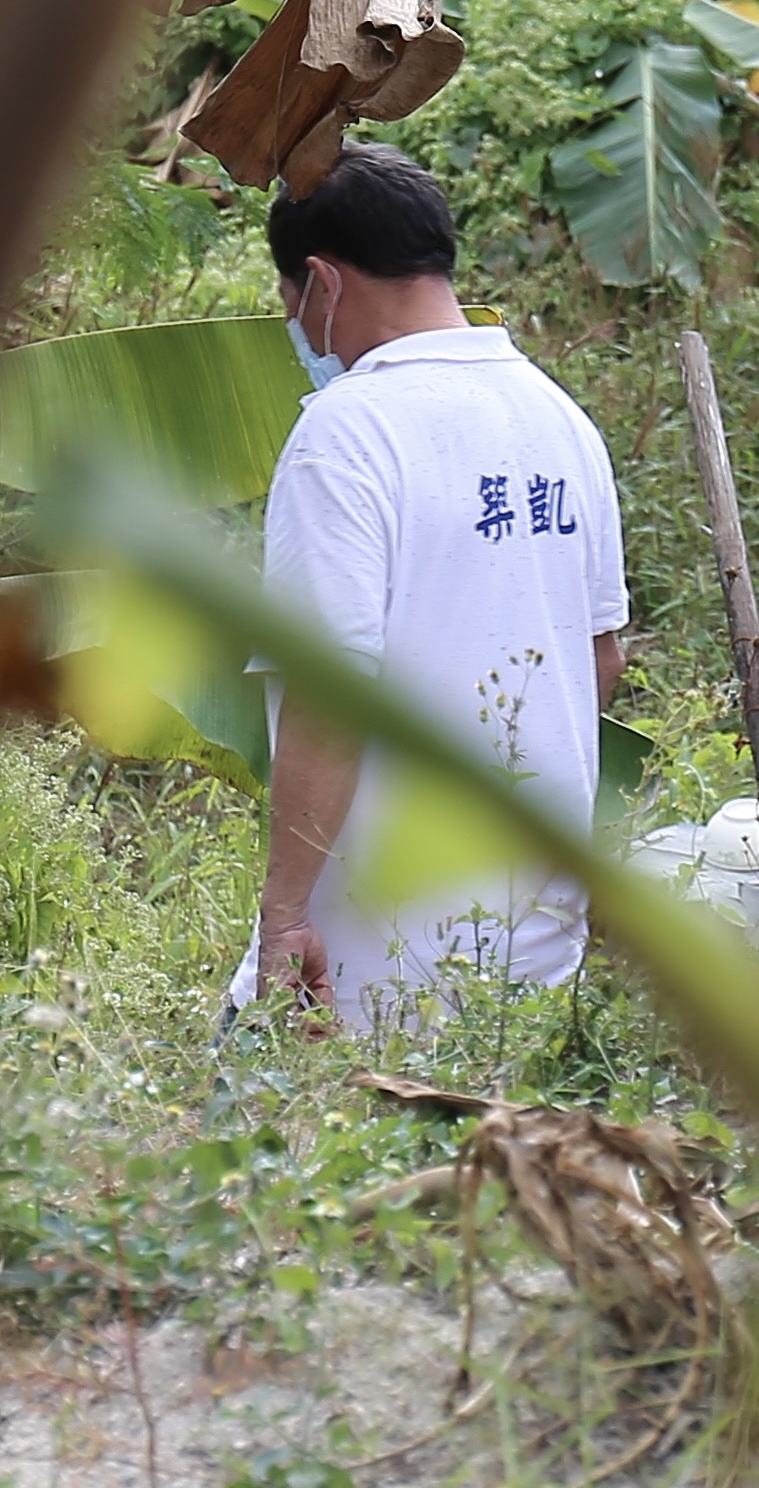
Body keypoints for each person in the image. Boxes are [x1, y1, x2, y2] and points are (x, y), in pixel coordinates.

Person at [234, 146, 630, 1028]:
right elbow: (599, 660)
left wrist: (286, 913)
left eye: (290, 305)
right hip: (540, 933)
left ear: (322, 283)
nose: (299, 330)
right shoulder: (561, 418)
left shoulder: (346, 433)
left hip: (380, 946)